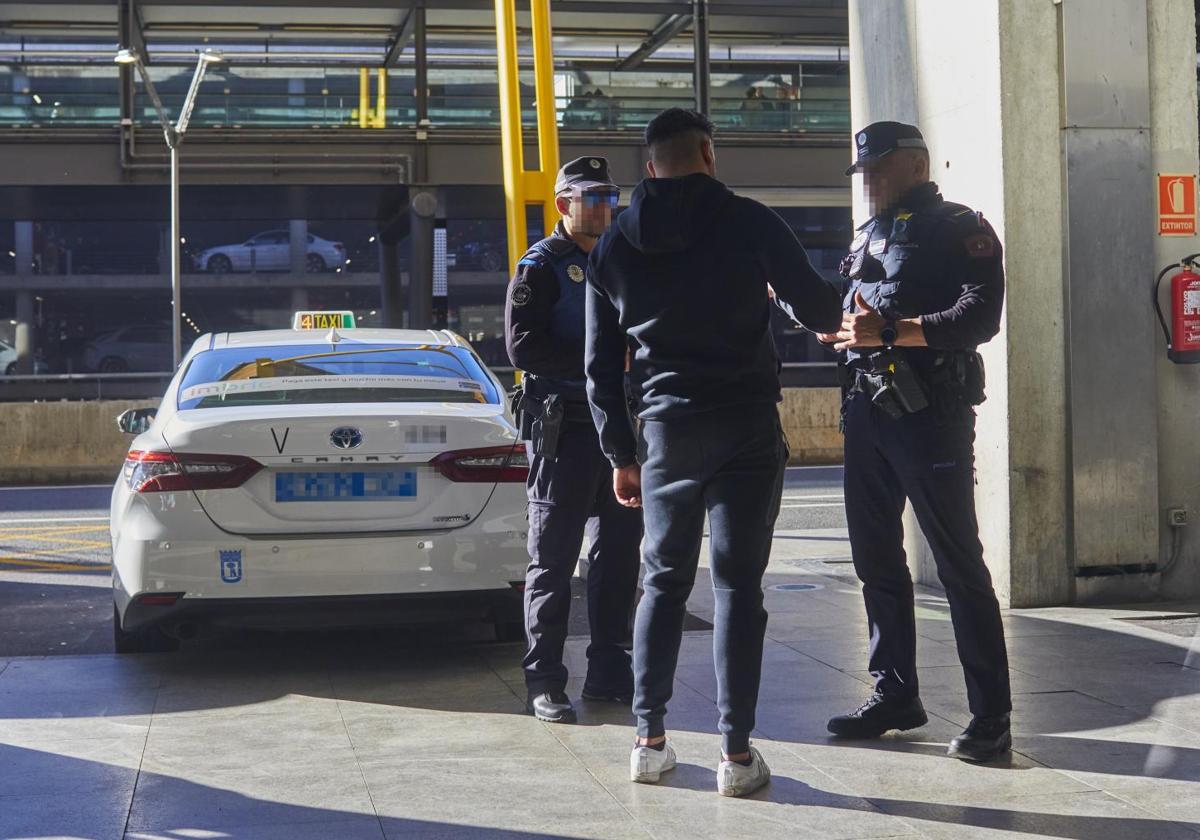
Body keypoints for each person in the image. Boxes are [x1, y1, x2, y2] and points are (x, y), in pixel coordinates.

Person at [584, 108, 842, 796]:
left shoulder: (611, 247)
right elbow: (819, 309)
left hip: (665, 430)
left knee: (663, 582)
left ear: (649, 165)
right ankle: (734, 754)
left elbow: (600, 366)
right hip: (746, 424)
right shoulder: (751, 221)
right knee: (736, 587)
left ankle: (649, 741)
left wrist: (620, 453)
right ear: (707, 152)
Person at [817, 120, 1012, 762]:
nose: (869, 180)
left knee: (958, 563)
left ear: (918, 163)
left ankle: (991, 717)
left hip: (932, 414)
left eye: (880, 167)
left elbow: (979, 317)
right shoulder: (868, 233)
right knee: (876, 561)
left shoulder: (961, 227)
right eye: (864, 170)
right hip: (868, 411)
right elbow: (859, 315)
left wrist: (892, 332)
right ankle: (894, 692)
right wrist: (841, 331)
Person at [505, 156, 643, 725]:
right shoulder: (540, 267)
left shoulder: (625, 258)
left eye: (610, 197)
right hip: (564, 429)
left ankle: (611, 670)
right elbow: (522, 350)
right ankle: (545, 679)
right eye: (591, 198)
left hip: (623, 431)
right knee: (554, 560)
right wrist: (600, 364)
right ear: (564, 205)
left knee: (618, 558)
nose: (604, 207)